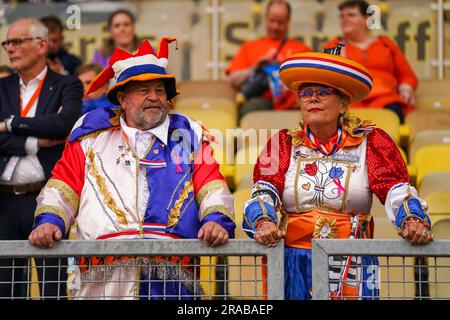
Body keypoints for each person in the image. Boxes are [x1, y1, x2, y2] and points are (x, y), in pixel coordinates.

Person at [28, 38, 236, 300]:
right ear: (123, 99)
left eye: (160, 90)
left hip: (172, 277)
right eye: (144, 90)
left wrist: (216, 220)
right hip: (102, 277)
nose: (154, 97)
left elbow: (212, 185)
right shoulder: (91, 135)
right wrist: (49, 221)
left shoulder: (188, 134)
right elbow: (63, 185)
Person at [242, 47, 433, 300]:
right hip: (293, 262)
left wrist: (412, 221)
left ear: (344, 104)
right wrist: (263, 220)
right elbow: (264, 189)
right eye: (306, 93)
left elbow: (394, 188)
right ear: (298, 103)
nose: (312, 99)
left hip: (352, 257)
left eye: (323, 93)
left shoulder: (371, 141)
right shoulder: (282, 144)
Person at [0, 18, 83, 298]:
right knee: (7, 289)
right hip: (4, 201)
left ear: (42, 45)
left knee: (52, 289)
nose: (9, 49)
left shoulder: (67, 85)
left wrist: (9, 124)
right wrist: (36, 141)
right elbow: (50, 129)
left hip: (48, 199)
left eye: (17, 41)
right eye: (6, 43)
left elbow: (64, 124)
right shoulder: (2, 87)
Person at [323, 0, 417, 123]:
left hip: (385, 101)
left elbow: (406, 75)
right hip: (350, 102)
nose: (344, 19)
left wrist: (406, 89)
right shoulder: (333, 47)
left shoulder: (386, 44)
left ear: (366, 18)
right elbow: (323, 78)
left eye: (351, 15)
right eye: (342, 16)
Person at [226, 0, 311, 120]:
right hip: (263, 101)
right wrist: (256, 67)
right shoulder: (250, 46)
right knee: (249, 109)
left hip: (293, 103)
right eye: (272, 21)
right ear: (265, 19)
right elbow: (232, 80)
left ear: (288, 23)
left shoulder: (301, 49)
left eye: (280, 22)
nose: (275, 26)